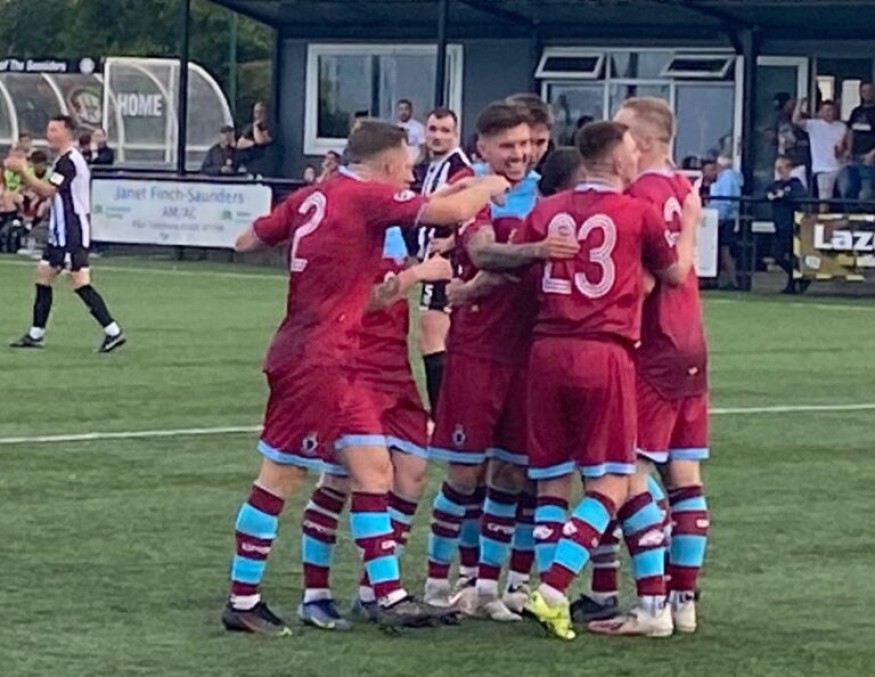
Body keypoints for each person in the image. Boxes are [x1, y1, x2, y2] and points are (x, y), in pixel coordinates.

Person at [223, 119, 512, 636]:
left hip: (321, 349)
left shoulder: (319, 194)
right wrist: (491, 183)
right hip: (317, 355)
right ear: (387, 163)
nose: (409, 175)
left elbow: (246, 240)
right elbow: (447, 213)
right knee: (281, 476)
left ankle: (387, 594)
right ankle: (243, 600)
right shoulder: (364, 196)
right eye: (406, 166)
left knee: (376, 471)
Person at [517, 121, 684, 641]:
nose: (637, 157)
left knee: (551, 481)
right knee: (614, 480)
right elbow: (673, 274)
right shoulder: (637, 212)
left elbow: (521, 265)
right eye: (631, 150)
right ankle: (554, 590)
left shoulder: (546, 210)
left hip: (545, 350)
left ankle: (553, 601)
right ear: (615, 159)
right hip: (603, 350)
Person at [423, 101, 577, 621]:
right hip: (478, 351)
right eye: (508, 146)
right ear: (482, 147)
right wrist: (536, 253)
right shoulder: (474, 192)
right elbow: (484, 252)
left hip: (530, 352)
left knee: (514, 472)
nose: (520, 154)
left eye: (527, 144)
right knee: (464, 473)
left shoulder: (544, 194)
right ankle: (438, 583)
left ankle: (496, 587)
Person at [583, 97, 704, 637]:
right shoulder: (682, 188)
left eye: (625, 133)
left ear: (646, 143)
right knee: (684, 474)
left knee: (627, 475)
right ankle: (683, 601)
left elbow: (653, 278)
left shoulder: (638, 197)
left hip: (651, 344)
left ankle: (652, 606)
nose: (618, 141)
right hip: (690, 340)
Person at [296, 232, 454, 630]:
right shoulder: (342, 234)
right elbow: (356, 301)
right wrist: (418, 273)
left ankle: (371, 593)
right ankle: (320, 595)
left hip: (393, 370)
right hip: (350, 369)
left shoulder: (396, 225)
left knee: (412, 473)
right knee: (346, 477)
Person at [6, 115, 125, 353]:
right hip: (60, 231)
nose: (48, 134)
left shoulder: (69, 161)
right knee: (44, 275)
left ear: (67, 133)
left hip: (71, 230)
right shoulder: (64, 159)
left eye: (54, 130)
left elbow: (47, 190)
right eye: (48, 129)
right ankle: (36, 334)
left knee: (79, 281)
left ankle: (113, 331)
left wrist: (23, 171)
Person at [413, 107, 471, 416]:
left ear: (456, 134)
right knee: (435, 334)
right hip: (432, 259)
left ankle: (442, 413)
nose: (437, 136)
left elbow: (470, 208)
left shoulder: (459, 168)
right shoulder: (431, 166)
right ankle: (446, 410)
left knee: (432, 334)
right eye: (433, 129)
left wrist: (451, 242)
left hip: (445, 262)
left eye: (445, 131)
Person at [793, 99, 847, 210]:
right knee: (824, 199)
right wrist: (799, 104)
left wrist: (842, 150)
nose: (828, 113)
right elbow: (795, 121)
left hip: (840, 167)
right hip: (823, 168)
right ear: (820, 112)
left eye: (831, 110)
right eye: (825, 110)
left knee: (845, 196)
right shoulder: (813, 125)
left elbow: (844, 145)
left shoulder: (842, 126)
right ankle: (823, 219)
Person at [766, 155, 807, 291]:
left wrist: (784, 195)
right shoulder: (775, 185)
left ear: (789, 168)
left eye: (781, 168)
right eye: (776, 168)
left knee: (792, 255)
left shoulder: (795, 183)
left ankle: (793, 283)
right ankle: (798, 278)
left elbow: (800, 196)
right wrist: (770, 195)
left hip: (792, 226)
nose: (778, 171)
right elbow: (765, 193)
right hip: (779, 226)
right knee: (777, 255)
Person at [710, 156, 744, 289]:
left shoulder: (726, 178)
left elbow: (725, 200)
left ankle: (733, 281)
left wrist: (720, 218)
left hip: (724, 218)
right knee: (722, 250)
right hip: (724, 217)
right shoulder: (728, 178)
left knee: (724, 250)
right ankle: (727, 280)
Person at [840, 82, 875, 203]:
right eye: (864, 91)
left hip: (870, 159)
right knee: (849, 189)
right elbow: (850, 131)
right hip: (854, 157)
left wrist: (872, 154)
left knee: (867, 192)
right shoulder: (856, 112)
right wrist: (848, 150)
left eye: (869, 90)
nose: (867, 93)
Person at [237, 101, 279, 176]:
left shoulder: (272, 127)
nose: (258, 115)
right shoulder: (249, 127)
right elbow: (240, 144)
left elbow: (260, 141)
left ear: (266, 113)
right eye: (256, 112)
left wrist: (256, 127)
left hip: (265, 166)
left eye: (261, 112)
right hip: (250, 164)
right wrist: (253, 143)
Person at [396, 99, 426, 164]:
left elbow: (423, 151)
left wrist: (417, 163)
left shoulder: (419, 127)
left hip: (415, 163)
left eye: (406, 109)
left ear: (411, 111)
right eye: (401, 109)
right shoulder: (395, 128)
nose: (403, 112)